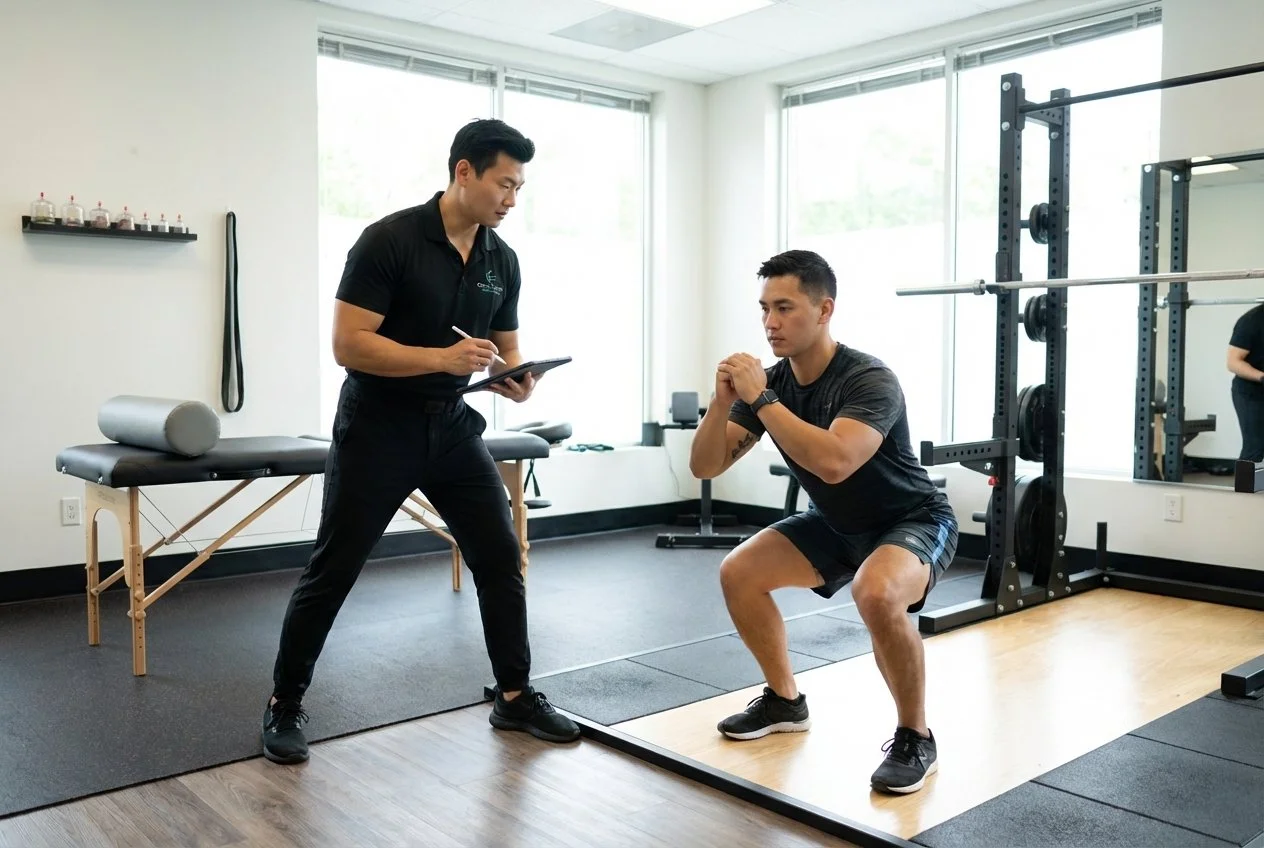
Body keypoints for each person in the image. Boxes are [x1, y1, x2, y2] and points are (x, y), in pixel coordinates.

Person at [261, 119, 579, 765]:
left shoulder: (500, 259)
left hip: (454, 427)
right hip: (378, 426)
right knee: (335, 570)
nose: (512, 200)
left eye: (520, 188)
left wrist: (514, 380)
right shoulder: (389, 240)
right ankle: (283, 705)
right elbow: (349, 344)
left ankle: (513, 696)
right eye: (504, 184)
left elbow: (504, 351)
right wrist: (442, 358)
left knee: (499, 557)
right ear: (464, 172)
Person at [688, 249, 958, 795]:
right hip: (835, 523)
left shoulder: (868, 378)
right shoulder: (771, 385)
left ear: (824, 309)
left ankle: (916, 736)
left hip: (912, 520)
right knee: (738, 572)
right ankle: (785, 701)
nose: (770, 322)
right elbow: (705, 466)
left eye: (784, 308)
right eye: (764, 308)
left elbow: (835, 461)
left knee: (877, 594)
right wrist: (720, 406)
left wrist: (760, 398)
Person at [1227, 303, 1264, 462]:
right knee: (1255, 448)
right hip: (1251, 392)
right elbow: (1233, 362)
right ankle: (1246, 487)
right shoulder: (1252, 320)